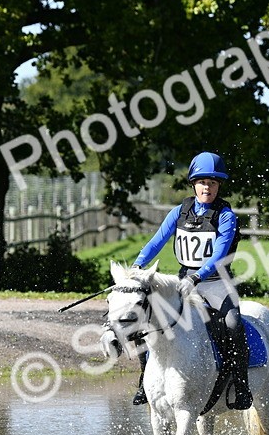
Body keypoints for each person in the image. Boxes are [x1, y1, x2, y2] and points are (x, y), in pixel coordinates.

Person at [105, 151, 253, 410]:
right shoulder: (179, 211)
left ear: (219, 186)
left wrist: (198, 277)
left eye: (213, 183)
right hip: (183, 279)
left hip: (216, 283)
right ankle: (144, 381)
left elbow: (218, 255)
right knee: (146, 314)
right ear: (194, 184)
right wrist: (138, 265)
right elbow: (157, 241)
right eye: (203, 182)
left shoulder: (226, 216)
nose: (208, 187)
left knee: (232, 324)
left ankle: (241, 386)